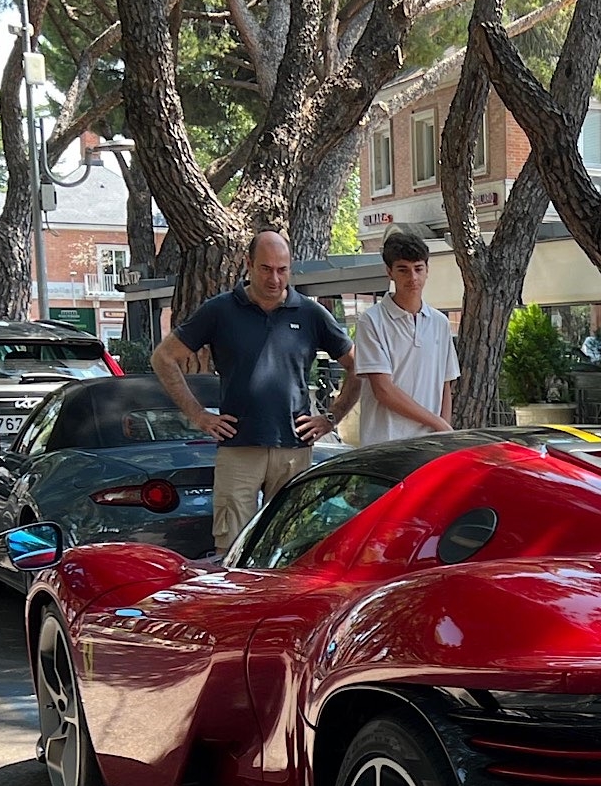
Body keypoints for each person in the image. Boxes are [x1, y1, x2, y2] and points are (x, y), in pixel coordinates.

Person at [153, 229, 353, 553]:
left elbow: (357, 365)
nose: (275, 278)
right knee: (231, 547)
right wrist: (199, 415)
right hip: (238, 445)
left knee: (287, 547)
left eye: (282, 269)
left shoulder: (311, 313)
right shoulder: (220, 310)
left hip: (294, 447)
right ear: (248, 264)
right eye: (266, 268)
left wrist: (331, 417)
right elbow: (164, 357)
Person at [308, 229, 458, 448]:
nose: (412, 277)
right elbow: (383, 390)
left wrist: (443, 432)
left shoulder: (440, 322)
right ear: (390, 272)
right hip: (387, 445)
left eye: (418, 269)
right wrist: (438, 423)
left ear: (427, 270)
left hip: (430, 445)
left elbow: (445, 383)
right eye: (403, 270)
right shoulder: (371, 321)